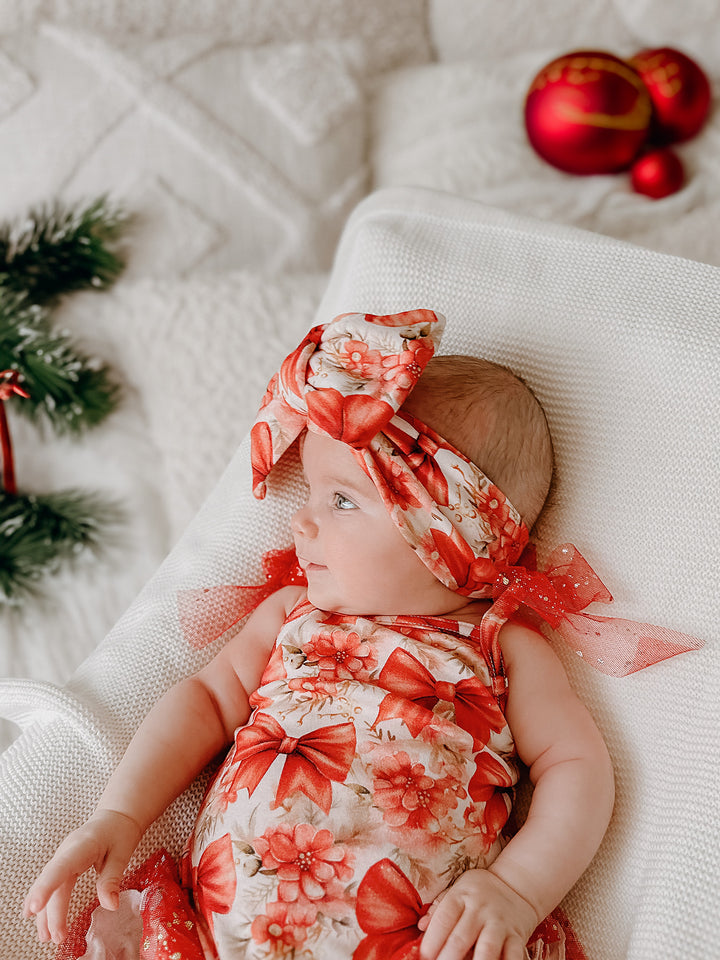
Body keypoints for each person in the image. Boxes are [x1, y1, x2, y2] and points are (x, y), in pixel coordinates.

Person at [23, 310, 698, 960]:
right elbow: (203, 701)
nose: (301, 522)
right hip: (214, 931)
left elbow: (578, 770)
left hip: (410, 935)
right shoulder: (291, 615)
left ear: (452, 540)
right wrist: (120, 815)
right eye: (311, 491)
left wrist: (518, 890)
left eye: (341, 500)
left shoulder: (501, 649)